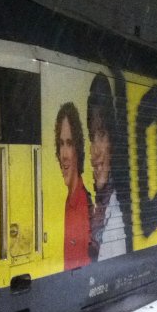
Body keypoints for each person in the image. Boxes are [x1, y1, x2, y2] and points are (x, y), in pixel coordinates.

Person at [87, 75, 127, 261]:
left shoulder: (117, 213)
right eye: (92, 137)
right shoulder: (99, 210)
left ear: (113, 142)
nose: (95, 151)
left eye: (101, 135)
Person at [55, 102, 91, 270]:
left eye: (69, 143)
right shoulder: (69, 202)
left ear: (78, 149)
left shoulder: (82, 203)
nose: (64, 155)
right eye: (61, 143)